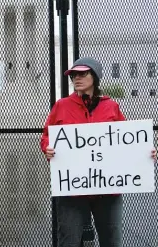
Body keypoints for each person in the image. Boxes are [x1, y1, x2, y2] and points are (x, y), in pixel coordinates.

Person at [40, 57, 157, 247]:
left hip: (108, 190)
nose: (77, 78)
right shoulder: (62, 106)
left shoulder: (111, 106)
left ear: (95, 76)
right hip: (72, 189)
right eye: (74, 75)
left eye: (82, 73)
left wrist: (145, 153)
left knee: (111, 239)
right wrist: (48, 148)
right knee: (68, 240)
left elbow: (128, 141)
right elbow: (46, 136)